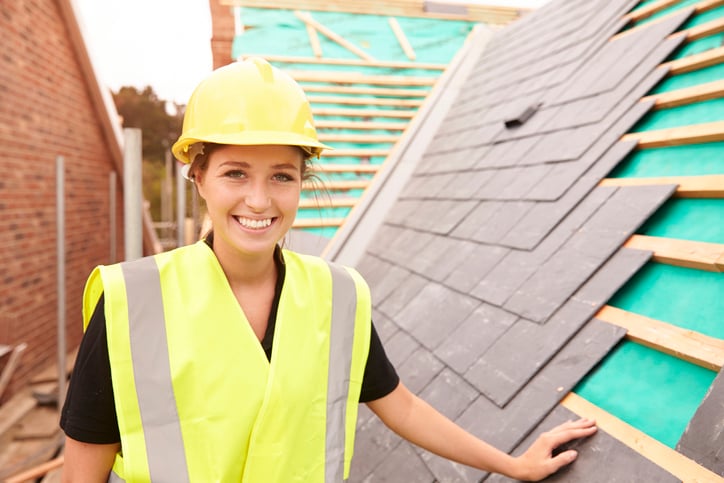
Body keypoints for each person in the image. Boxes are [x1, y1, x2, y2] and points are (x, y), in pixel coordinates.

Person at [60, 57, 597, 482]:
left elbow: (401, 406)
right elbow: (84, 470)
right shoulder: (133, 302)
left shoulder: (336, 296)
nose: (258, 199)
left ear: (301, 181)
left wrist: (514, 464)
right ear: (197, 175)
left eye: (282, 177)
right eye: (235, 172)